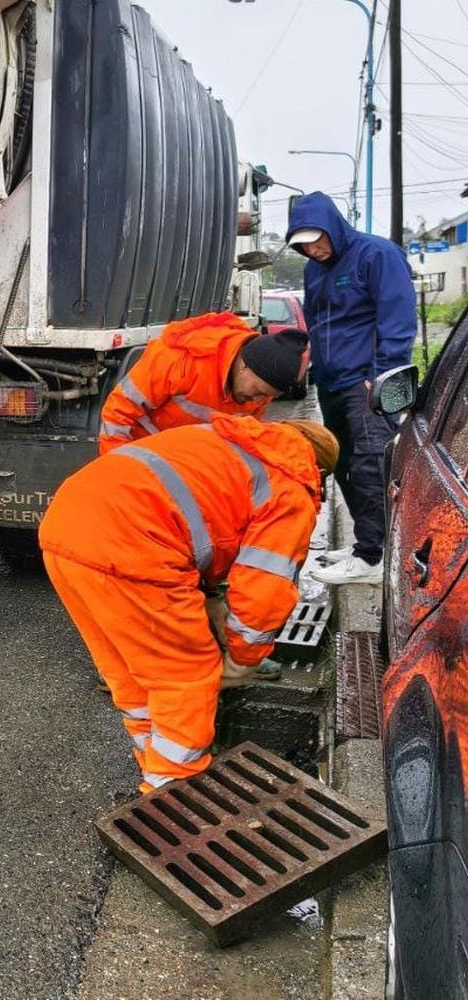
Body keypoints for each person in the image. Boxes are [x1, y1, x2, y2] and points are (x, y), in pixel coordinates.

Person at [38, 414, 339, 793]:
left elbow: (201, 518)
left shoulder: (228, 440)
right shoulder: (291, 483)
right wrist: (242, 659)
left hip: (65, 528)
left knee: (131, 672)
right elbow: (264, 591)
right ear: (321, 472)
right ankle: (172, 790)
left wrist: (211, 599)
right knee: (186, 677)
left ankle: (153, 762)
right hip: (134, 546)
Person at [286, 192, 416, 585]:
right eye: (303, 242)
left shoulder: (376, 255)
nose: (313, 247)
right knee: (341, 463)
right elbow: (318, 324)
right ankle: (366, 542)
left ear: (334, 226)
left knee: (370, 464)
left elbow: (397, 318)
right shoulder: (313, 269)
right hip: (331, 383)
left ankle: (374, 559)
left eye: (317, 238)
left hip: (366, 383)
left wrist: (382, 377)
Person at [98, 311, 309, 455]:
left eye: (266, 397)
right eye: (258, 391)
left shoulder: (259, 392)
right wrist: (116, 465)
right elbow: (119, 412)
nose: (258, 400)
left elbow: (242, 441)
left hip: (187, 468)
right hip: (142, 455)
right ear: (245, 365)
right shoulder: (181, 359)